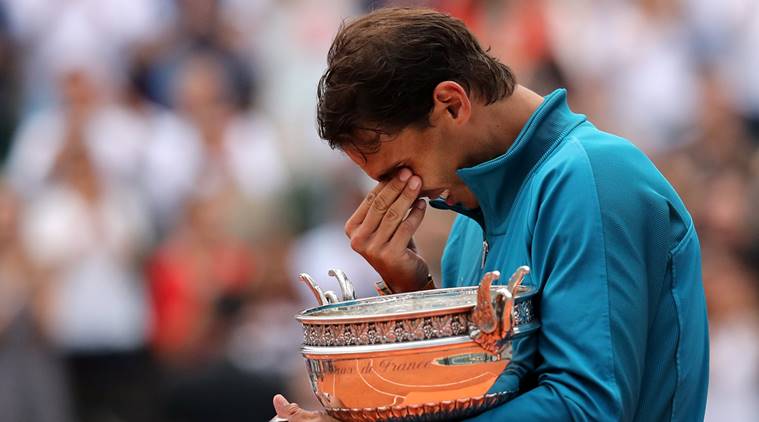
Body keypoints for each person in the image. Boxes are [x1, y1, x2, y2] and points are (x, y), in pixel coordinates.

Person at [273, 7, 708, 421]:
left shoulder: (594, 176)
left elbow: (588, 406)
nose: (394, 194)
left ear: (451, 104)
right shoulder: (466, 228)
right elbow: (473, 400)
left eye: (399, 169)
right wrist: (417, 296)